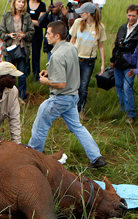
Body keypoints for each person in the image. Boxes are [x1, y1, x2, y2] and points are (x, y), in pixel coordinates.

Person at [28, 21, 106, 168]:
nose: (46, 36)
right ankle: (96, 157)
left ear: (57, 36)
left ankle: (32, 156)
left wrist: (47, 81)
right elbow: (67, 68)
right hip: (73, 96)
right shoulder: (71, 48)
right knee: (78, 127)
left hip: (60, 97)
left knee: (40, 124)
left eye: (49, 34)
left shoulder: (56, 55)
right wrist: (50, 72)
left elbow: (61, 83)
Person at [69, 2, 107, 117]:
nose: (80, 14)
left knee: (84, 86)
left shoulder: (100, 27)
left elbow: (101, 45)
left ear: (89, 13)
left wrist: (103, 64)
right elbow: (72, 40)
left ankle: (81, 109)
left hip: (88, 61)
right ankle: (71, 109)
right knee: (73, 85)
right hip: (76, 57)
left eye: (82, 12)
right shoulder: (78, 23)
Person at [110, 4, 138, 123]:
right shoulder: (123, 27)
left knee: (127, 88)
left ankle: (130, 114)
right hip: (118, 62)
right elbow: (116, 45)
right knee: (119, 87)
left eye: (133, 16)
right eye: (129, 15)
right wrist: (113, 60)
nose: (131, 18)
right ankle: (123, 110)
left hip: (130, 64)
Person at [0, 0, 34, 103]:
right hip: (9, 48)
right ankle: (7, 96)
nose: (21, 4)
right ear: (14, 3)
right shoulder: (6, 16)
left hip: (22, 48)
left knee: (22, 74)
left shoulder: (27, 17)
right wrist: (9, 35)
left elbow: (31, 32)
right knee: (8, 74)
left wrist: (24, 35)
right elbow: (1, 32)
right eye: (19, 2)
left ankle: (22, 96)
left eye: (23, 2)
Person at [28, 0, 46, 81]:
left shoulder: (42, 5)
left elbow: (40, 22)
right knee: (26, 55)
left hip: (37, 34)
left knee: (36, 55)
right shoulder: (26, 3)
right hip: (26, 33)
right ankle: (26, 74)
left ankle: (36, 76)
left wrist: (28, 20)